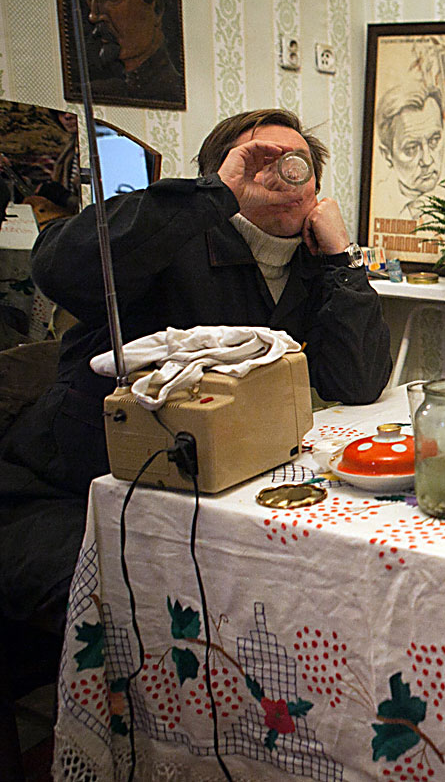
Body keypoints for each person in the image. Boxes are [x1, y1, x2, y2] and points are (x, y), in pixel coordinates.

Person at [0, 107, 391, 634]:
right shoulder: (167, 239)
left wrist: (341, 262)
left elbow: (357, 383)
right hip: (74, 493)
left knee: (299, 593)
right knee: (187, 605)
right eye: (260, 161)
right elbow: (57, 267)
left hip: (205, 500)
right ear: (223, 175)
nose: (284, 172)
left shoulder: (310, 263)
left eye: (297, 160)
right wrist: (214, 195)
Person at [373, 82, 445, 219]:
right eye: (412, 148)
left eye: (434, 141)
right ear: (387, 155)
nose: (427, 160)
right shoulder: (378, 199)